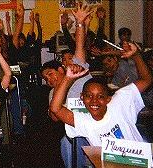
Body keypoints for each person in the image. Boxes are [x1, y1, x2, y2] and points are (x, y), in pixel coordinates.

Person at [50, 41, 152, 146]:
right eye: (89, 96)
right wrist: (67, 79)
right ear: (82, 97)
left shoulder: (120, 100)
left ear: (108, 98)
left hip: (138, 159)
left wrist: (136, 56)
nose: (94, 101)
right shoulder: (84, 121)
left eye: (100, 96)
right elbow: (55, 109)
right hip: (108, 162)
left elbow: (146, 80)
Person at [42, 4, 93, 168]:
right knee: (67, 141)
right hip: (77, 130)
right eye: (45, 79)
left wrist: (79, 23)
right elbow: (55, 117)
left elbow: (79, 46)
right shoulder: (52, 93)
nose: (48, 80)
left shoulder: (78, 72)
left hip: (97, 122)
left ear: (60, 69)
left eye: (50, 74)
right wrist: (58, 91)